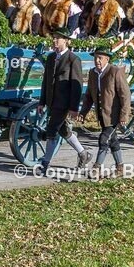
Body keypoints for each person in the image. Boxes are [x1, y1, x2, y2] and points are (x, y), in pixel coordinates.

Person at [36, 30, 87, 173]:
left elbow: (77, 86)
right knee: (64, 130)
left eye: (58, 38)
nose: (55, 41)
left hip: (64, 103)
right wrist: (42, 102)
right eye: (54, 38)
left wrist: (74, 107)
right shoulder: (51, 57)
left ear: (66, 41)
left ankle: (45, 164)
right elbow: (46, 81)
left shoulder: (73, 59)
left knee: (51, 131)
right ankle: (83, 153)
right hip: (52, 101)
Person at [79, 48, 131, 177]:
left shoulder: (115, 72)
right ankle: (120, 168)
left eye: (100, 58)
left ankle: (96, 168)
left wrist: (124, 115)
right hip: (102, 115)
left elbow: (125, 94)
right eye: (95, 58)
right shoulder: (93, 73)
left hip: (114, 115)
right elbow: (89, 95)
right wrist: (83, 113)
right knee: (112, 141)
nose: (97, 61)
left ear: (107, 59)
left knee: (104, 140)